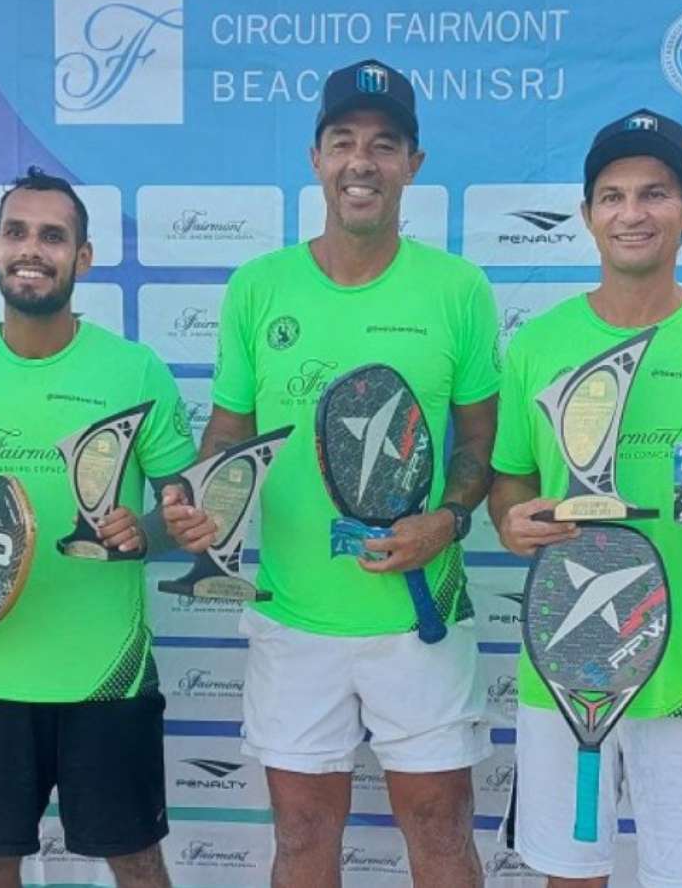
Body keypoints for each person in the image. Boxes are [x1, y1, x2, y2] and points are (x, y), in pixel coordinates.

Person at [163, 58, 499, 888]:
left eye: (385, 145)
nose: (363, 161)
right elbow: (229, 433)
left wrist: (449, 521)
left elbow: (479, 446)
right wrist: (204, 500)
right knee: (305, 831)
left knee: (442, 828)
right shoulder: (258, 287)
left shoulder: (458, 290)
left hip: (420, 615)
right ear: (315, 158)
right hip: (293, 616)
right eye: (343, 141)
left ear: (413, 165)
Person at [489, 108, 682, 887]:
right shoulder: (539, 343)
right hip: (566, 664)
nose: (632, 213)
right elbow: (513, 481)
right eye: (612, 195)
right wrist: (510, 519)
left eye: (655, 194)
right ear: (588, 216)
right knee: (569, 875)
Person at [0, 166, 196, 888]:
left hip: (107, 677)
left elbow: (186, 514)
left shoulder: (135, 371)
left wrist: (145, 534)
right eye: (18, 232)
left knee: (136, 863)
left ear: (82, 258)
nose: (33, 249)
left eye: (53, 236)